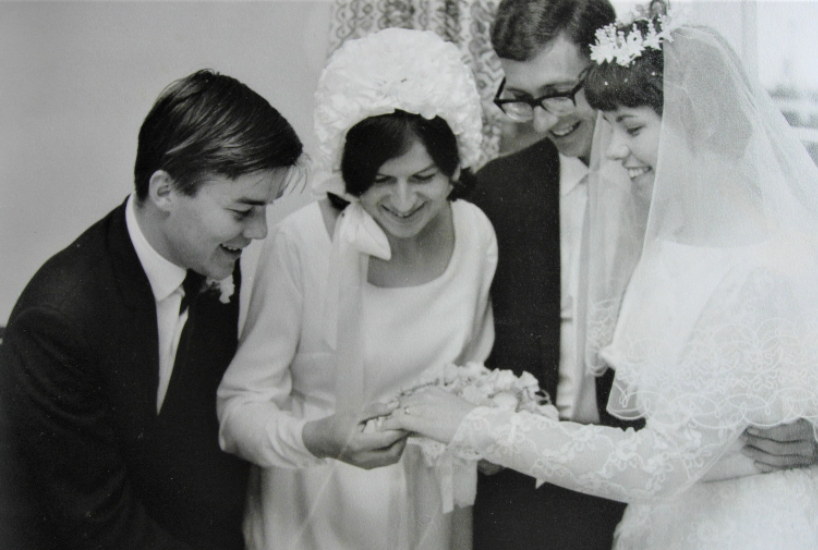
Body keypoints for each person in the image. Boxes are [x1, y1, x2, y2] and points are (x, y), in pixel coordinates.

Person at [385, 8, 818, 549]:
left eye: (629, 127)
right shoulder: (510, 194)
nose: (610, 149)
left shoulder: (769, 260)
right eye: (524, 99)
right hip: (585, 507)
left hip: (746, 519)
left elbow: (675, 452)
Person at [0, 69, 306, 550]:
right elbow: (94, 524)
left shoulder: (212, 256)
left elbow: (201, 466)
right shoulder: (59, 322)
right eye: (244, 210)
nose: (261, 231)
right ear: (165, 191)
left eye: (267, 208)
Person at [216, 28, 496, 550]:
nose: (405, 200)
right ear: (350, 173)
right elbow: (238, 412)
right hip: (316, 506)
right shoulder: (301, 243)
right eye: (383, 180)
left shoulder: (476, 232)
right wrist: (316, 437)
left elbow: (474, 377)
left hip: (434, 507)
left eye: (425, 176)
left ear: (455, 168)